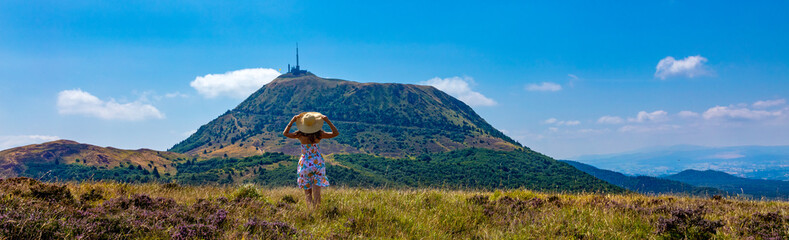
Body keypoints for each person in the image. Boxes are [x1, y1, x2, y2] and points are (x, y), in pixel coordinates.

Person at [282, 112, 339, 208]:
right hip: (318, 163)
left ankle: (310, 213)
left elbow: (285, 133)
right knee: (317, 193)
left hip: (305, 164)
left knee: (307, 193)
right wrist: (327, 120)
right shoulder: (319, 134)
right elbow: (335, 133)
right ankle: (318, 212)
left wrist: (292, 120)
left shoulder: (300, 135)